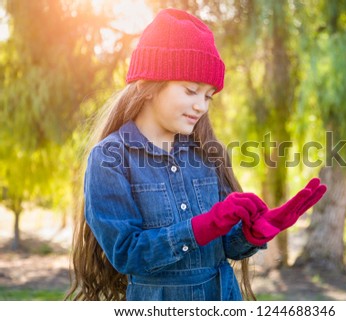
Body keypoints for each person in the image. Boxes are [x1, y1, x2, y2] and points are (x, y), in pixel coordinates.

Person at [66, 8, 326, 301]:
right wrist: (202, 226)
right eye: (191, 91)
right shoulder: (110, 158)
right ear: (147, 86)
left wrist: (255, 234)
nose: (202, 106)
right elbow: (127, 254)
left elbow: (228, 246)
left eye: (208, 96)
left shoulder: (207, 153)